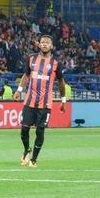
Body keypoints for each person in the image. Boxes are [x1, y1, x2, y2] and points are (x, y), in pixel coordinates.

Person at [13, 35, 66, 168]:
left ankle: (34, 159)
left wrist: (63, 100)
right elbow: (26, 75)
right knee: (24, 130)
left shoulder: (56, 63)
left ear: (51, 46)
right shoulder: (32, 58)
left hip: (45, 103)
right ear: (39, 45)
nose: (45, 44)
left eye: (47, 43)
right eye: (42, 42)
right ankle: (26, 150)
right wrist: (19, 90)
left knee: (40, 131)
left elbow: (61, 82)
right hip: (29, 101)